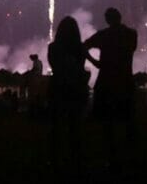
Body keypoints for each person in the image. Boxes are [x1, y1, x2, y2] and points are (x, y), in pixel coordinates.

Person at [84, 7, 138, 165]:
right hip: (125, 79)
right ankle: (130, 154)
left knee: (107, 121)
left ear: (107, 20)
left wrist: (95, 62)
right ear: (120, 17)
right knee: (128, 118)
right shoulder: (132, 34)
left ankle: (111, 154)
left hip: (106, 81)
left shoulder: (103, 35)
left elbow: (84, 46)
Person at [48, 16, 89, 174]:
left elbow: (55, 67)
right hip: (76, 90)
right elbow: (80, 68)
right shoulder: (80, 48)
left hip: (58, 89)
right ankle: (76, 160)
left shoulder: (53, 48)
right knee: (75, 127)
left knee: (57, 127)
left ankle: (56, 161)